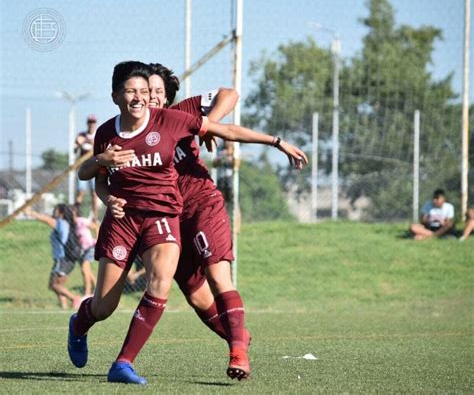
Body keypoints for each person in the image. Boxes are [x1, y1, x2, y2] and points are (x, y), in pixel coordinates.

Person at [68, 61, 307, 385]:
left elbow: (228, 123)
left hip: (168, 216)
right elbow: (91, 176)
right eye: (134, 91)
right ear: (116, 96)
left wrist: (277, 142)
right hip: (125, 222)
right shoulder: (107, 133)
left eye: (149, 91)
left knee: (168, 282)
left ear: (162, 96)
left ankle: (125, 363)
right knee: (106, 306)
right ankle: (80, 324)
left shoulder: (175, 118)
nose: (143, 97)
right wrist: (105, 184)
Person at [26, 204, 82, 309]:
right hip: (63, 259)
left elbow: (46, 220)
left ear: (61, 213)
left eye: (55, 210)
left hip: (63, 259)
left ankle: (74, 298)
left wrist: (31, 213)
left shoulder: (61, 223)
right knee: (56, 285)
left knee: (54, 285)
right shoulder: (67, 224)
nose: (53, 212)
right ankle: (63, 307)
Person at [75, 114, 99, 220]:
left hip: (94, 168)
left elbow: (99, 147)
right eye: (90, 122)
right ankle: (76, 215)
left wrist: (88, 141)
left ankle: (95, 217)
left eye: (93, 122)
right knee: (80, 191)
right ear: (87, 123)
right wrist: (80, 143)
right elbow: (75, 148)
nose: (91, 124)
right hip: (83, 167)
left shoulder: (98, 134)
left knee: (94, 193)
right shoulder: (81, 134)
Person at [72, 203, 98, 296]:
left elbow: (95, 227)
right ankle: (97, 289)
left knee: (84, 269)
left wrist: (99, 239)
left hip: (91, 247)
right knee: (87, 271)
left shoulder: (81, 221)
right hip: (82, 250)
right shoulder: (72, 225)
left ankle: (87, 293)